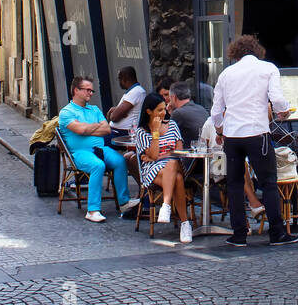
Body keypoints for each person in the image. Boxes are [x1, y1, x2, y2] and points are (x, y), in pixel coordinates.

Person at [209, 35, 298, 247]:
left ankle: (239, 233)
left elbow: (215, 110)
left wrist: (221, 128)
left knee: (235, 184)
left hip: (232, 135)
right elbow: (276, 99)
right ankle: (276, 232)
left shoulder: (225, 74)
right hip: (257, 132)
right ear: (257, 51)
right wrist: (282, 112)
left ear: (235, 53)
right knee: (268, 182)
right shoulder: (268, 69)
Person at [58, 77, 140, 223]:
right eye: (87, 90)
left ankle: (124, 203)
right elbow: (80, 129)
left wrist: (87, 129)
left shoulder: (94, 109)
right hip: (80, 152)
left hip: (100, 149)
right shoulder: (66, 112)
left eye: (92, 90)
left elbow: (107, 129)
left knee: (120, 161)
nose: (91, 93)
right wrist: (94, 126)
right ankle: (92, 210)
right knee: (98, 166)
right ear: (76, 90)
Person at [132, 93, 192, 242]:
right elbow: (152, 155)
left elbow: (178, 151)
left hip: (175, 164)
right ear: (149, 112)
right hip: (153, 171)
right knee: (177, 178)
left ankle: (166, 205)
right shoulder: (142, 131)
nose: (164, 113)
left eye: (164, 109)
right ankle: (185, 224)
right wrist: (156, 133)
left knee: (172, 162)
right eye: (159, 110)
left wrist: (159, 156)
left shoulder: (172, 125)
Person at [106, 67, 147, 144]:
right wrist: (117, 110)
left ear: (124, 79)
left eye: (119, 79)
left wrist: (114, 112)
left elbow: (114, 117)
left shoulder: (136, 92)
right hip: (116, 132)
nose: (119, 82)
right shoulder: (133, 92)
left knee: (95, 142)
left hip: (121, 134)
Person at [166, 81, 208, 147]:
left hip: (189, 153)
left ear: (174, 97)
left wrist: (170, 113)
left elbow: (168, 134)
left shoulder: (178, 113)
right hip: (204, 150)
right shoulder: (201, 108)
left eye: (170, 98)